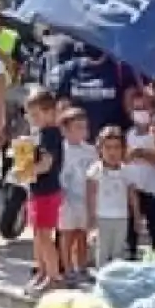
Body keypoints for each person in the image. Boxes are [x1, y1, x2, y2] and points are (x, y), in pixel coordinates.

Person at [22, 90, 66, 291]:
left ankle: (54, 276)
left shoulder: (51, 134)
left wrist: (27, 170)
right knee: (38, 235)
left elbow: (47, 164)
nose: (33, 119)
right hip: (37, 190)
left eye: (37, 115)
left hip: (47, 192)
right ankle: (41, 271)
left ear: (50, 113)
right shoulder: (39, 134)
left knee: (46, 237)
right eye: (31, 115)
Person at [123, 85, 155, 256]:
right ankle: (131, 254)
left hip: (153, 187)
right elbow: (125, 158)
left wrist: (141, 154)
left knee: (154, 223)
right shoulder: (130, 134)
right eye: (136, 108)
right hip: (134, 186)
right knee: (132, 223)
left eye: (143, 108)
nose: (139, 112)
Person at [57, 108, 96, 280]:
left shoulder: (90, 150)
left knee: (82, 234)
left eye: (84, 127)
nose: (82, 131)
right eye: (77, 127)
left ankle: (82, 265)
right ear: (65, 130)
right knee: (67, 234)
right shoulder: (60, 150)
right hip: (65, 199)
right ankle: (67, 267)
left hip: (85, 199)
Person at [87, 127, 134, 268]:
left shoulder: (126, 170)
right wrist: (91, 218)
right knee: (102, 250)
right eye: (107, 147)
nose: (112, 152)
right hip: (102, 217)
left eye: (117, 147)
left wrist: (136, 216)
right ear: (100, 149)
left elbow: (131, 193)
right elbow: (91, 194)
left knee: (118, 251)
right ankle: (102, 277)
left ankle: (115, 279)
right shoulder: (96, 169)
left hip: (121, 217)